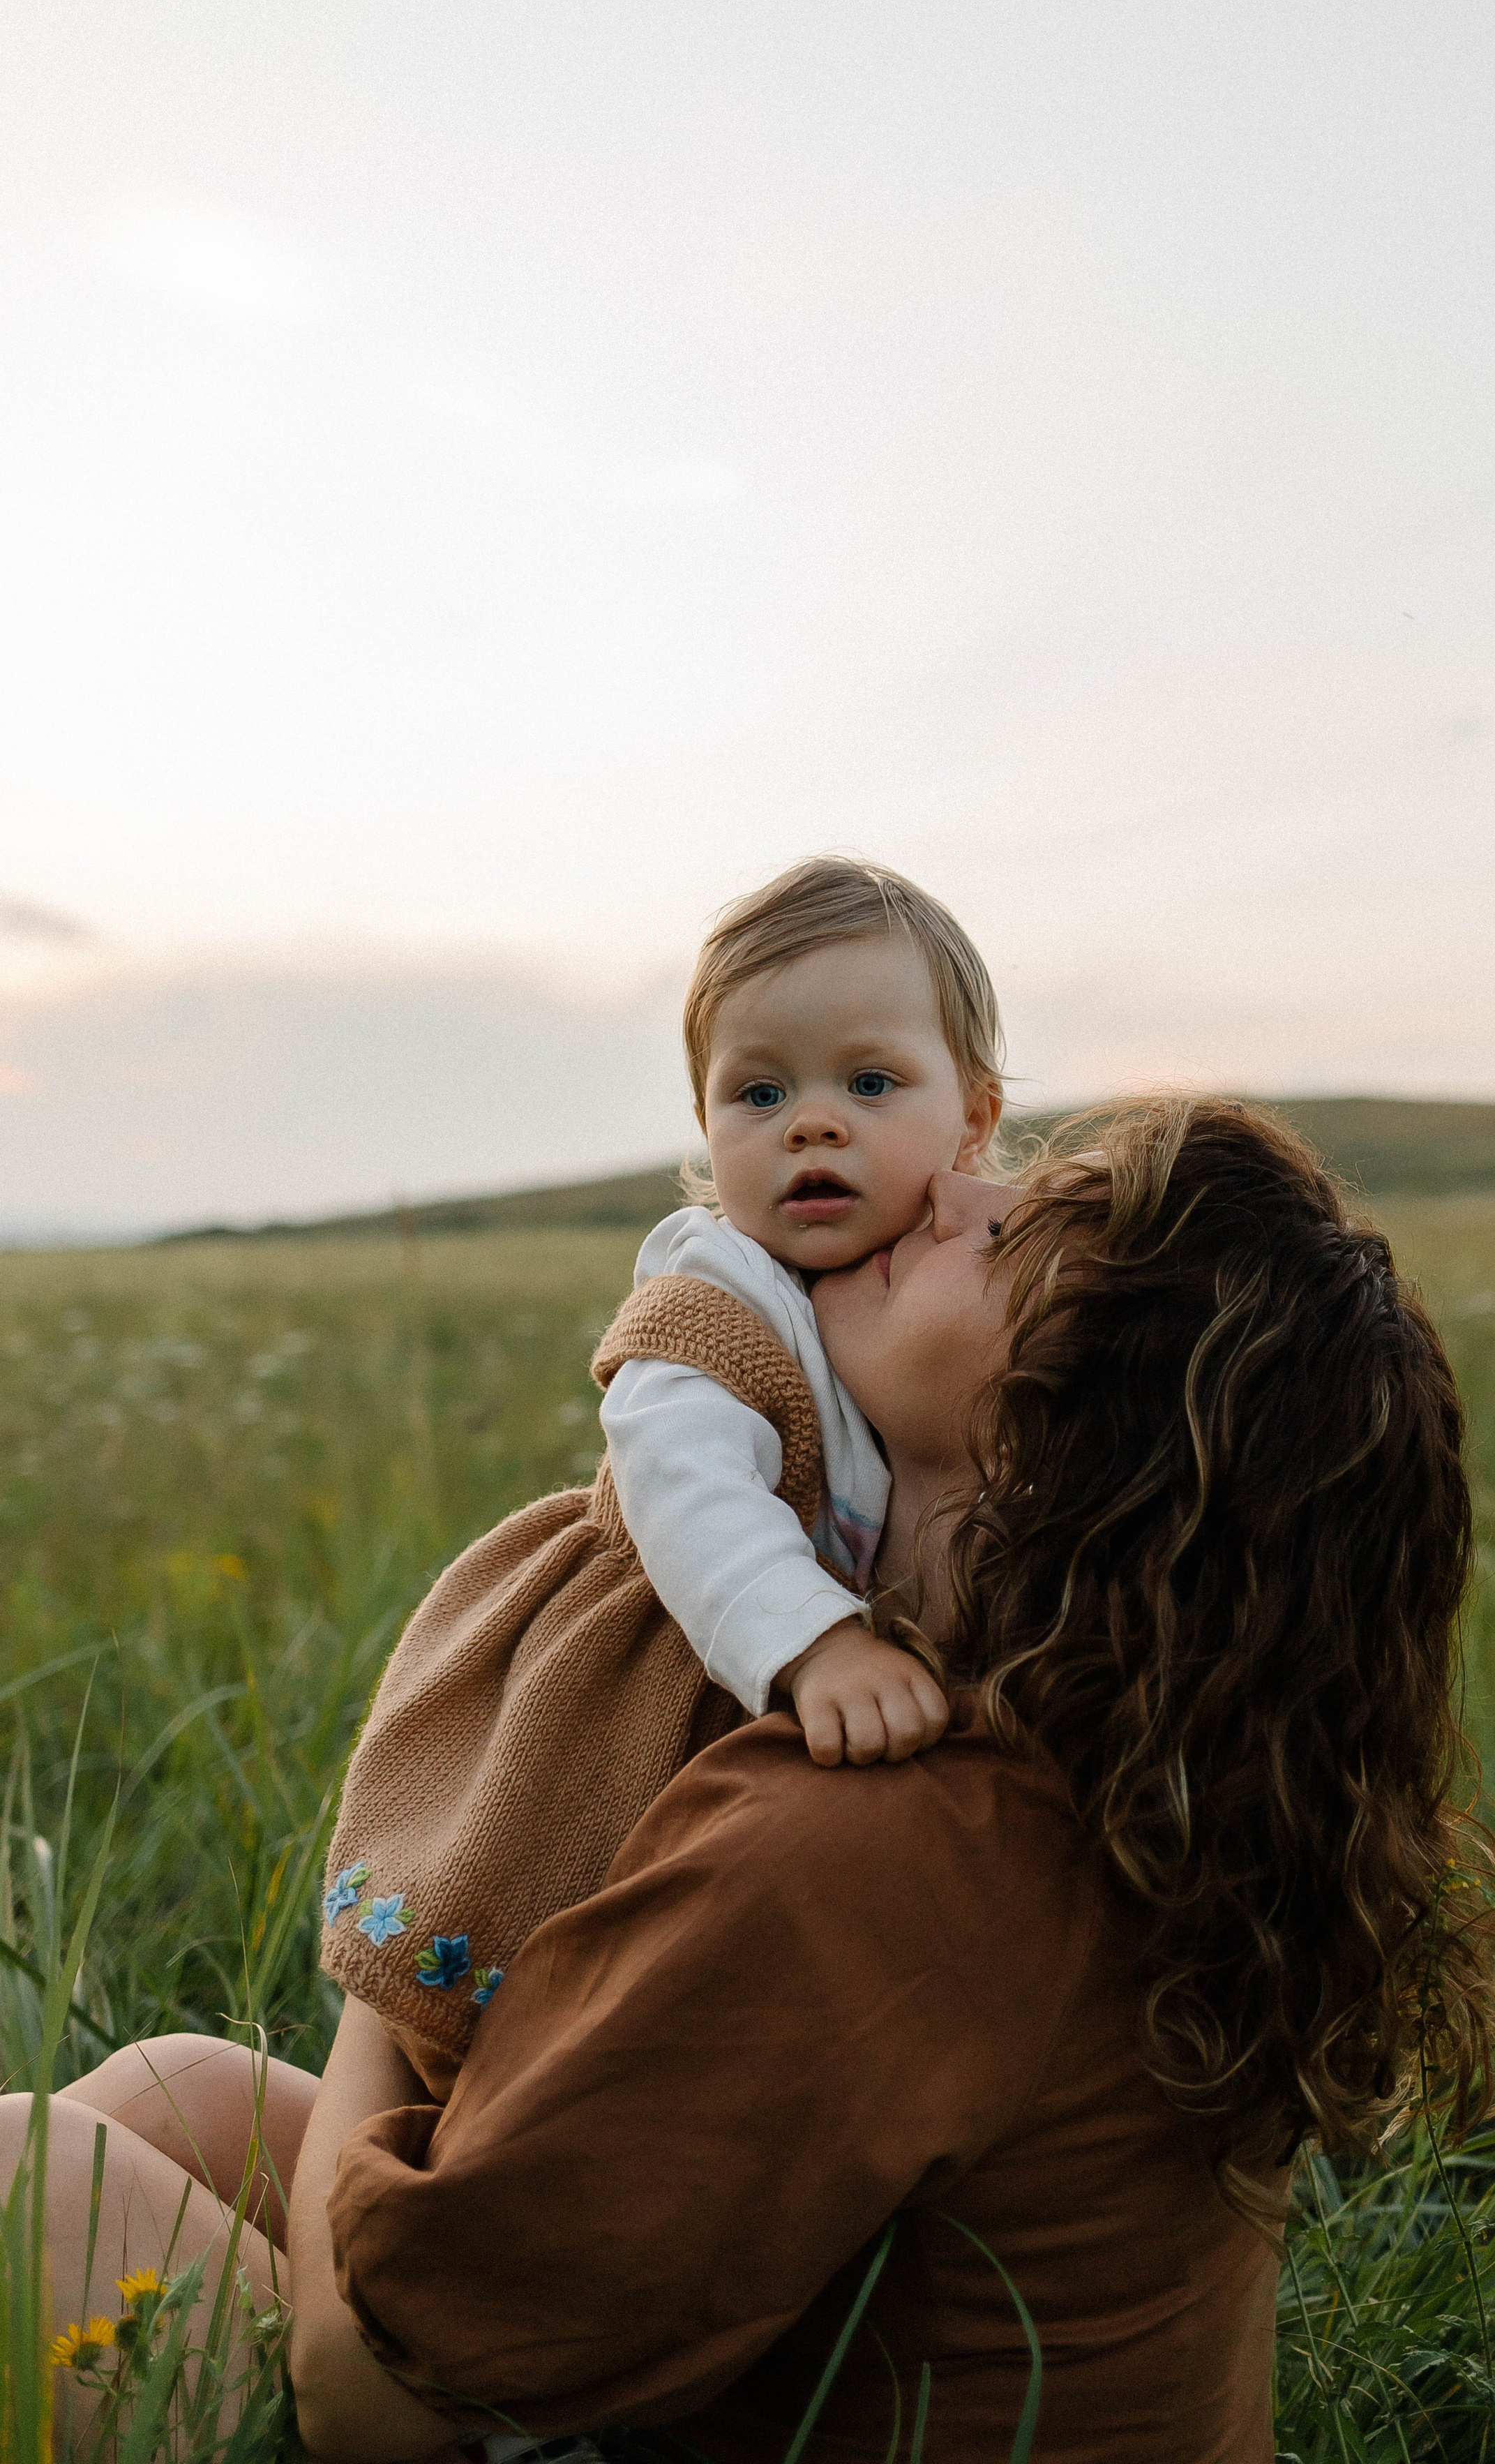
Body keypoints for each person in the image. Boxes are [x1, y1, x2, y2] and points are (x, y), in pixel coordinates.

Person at [0, 1098, 1495, 2463]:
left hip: (430, 2398)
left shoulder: (872, 1843)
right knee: (170, 2091)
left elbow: (366, 2404)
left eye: (1009, 1235)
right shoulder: (1127, 1764)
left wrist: (397, 1964)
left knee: (21, 2169)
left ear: (1057, 1445)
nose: (941, 1188)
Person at [320, 855, 1002, 2091]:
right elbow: (687, 1490)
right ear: (706, 1126)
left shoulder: (936, 1283)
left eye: (869, 1081)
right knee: (548, 1932)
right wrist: (818, 1644)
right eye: (757, 1092)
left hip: (764, 1717)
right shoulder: (716, 1287)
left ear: (975, 1119)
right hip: (643, 1667)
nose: (811, 1121)